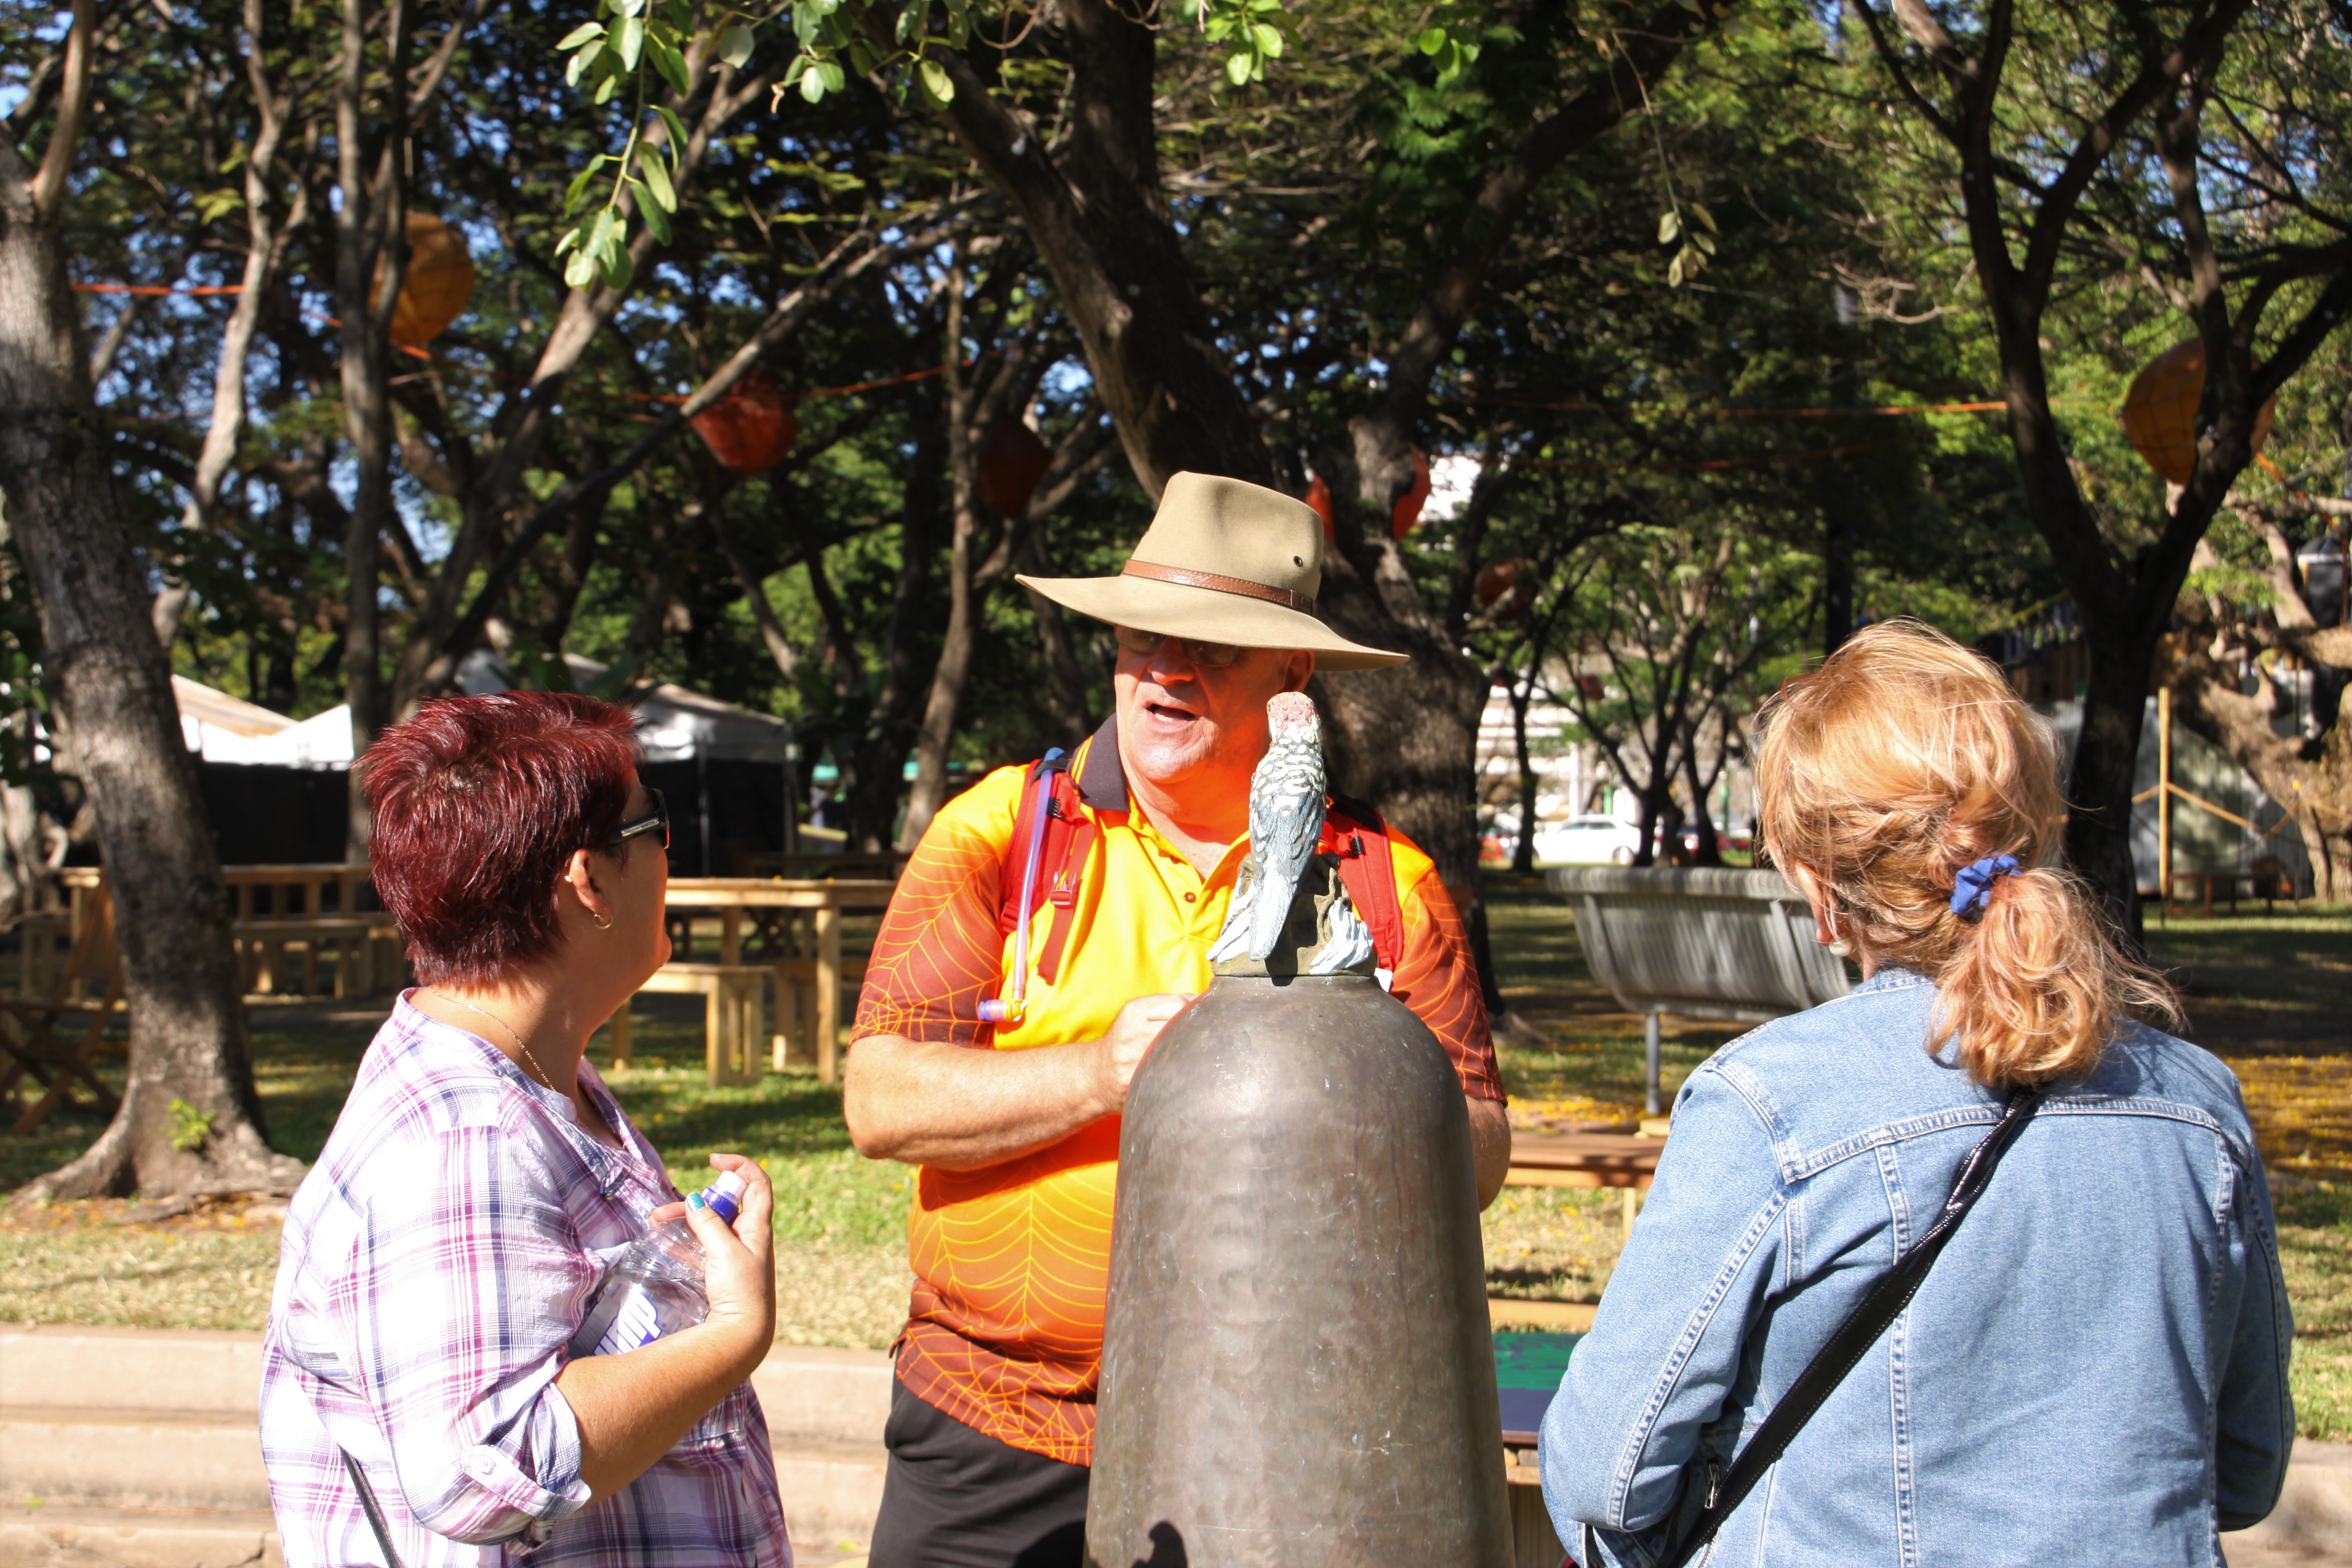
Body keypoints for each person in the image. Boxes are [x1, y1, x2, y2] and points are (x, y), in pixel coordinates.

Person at [843, 472, 1513, 1568]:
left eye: (1212, 646)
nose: (1166, 669)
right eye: (1143, 638)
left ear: (1292, 673)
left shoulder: (1386, 883)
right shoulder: (1006, 834)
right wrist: (1100, 1076)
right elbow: (879, 1102)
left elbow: (1478, 1150)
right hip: (999, 1424)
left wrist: (1341, 1077)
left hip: (1279, 1446)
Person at [1539, 621, 2294, 1567]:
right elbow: (2247, 1469)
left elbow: (1601, 1479)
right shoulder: (2201, 1107)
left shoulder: (1769, 1108)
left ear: (1821, 891)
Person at [260, 692, 788, 1568]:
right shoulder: (464, 1137)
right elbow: (486, 1467)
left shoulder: (537, 1076)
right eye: (656, 827)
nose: (670, 856)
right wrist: (733, 1332)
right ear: (588, 879)